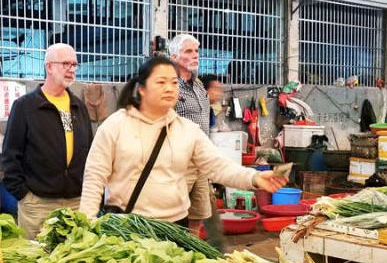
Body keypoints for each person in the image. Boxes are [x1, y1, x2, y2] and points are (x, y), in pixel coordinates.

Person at [79, 55, 287, 223]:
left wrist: (254, 178)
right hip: (127, 226)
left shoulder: (187, 130)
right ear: (141, 89)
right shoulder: (116, 125)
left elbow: (217, 166)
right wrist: (87, 223)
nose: (169, 88)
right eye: (161, 82)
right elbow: (95, 176)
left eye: (173, 83)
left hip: (175, 227)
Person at [1, 43, 94, 239]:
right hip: (38, 204)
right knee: (37, 259)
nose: (72, 70)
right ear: (49, 67)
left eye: (75, 65)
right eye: (66, 64)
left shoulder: (78, 107)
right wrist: (24, 195)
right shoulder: (25, 106)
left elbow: (90, 151)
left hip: (76, 202)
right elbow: (10, 155)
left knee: (73, 259)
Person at [170, 35, 222, 245]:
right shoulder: (171, 87)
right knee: (173, 216)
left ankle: (190, 250)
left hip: (200, 162)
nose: (195, 56)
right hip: (178, 162)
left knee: (199, 213)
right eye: (189, 51)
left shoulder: (200, 86)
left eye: (196, 51)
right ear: (174, 56)